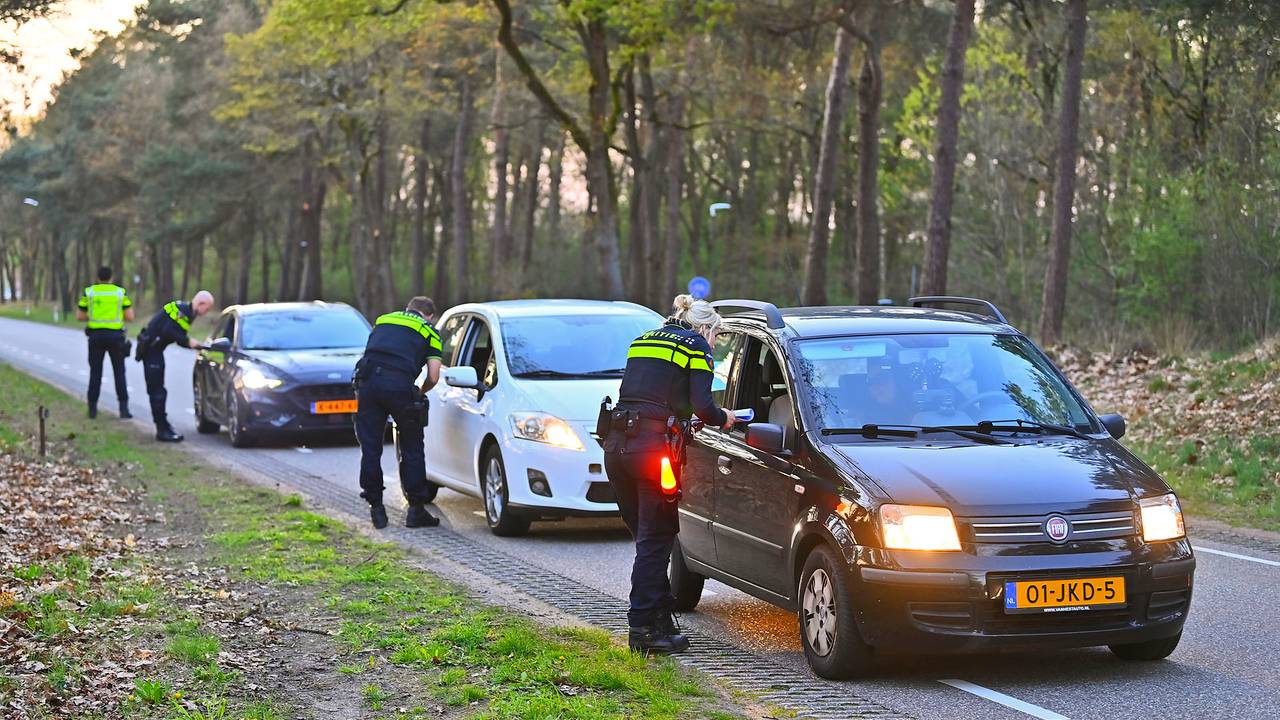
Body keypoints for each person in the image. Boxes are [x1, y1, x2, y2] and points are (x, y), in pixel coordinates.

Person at [603, 294, 735, 654]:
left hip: (617, 447)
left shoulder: (644, 339)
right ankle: (644, 630)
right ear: (706, 327)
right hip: (654, 453)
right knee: (656, 538)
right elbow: (705, 407)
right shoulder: (696, 346)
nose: (715, 343)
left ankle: (659, 618)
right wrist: (727, 418)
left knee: (647, 540)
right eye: (717, 336)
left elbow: (645, 394)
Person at [353, 296, 444, 530]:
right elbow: (433, 376)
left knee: (371, 448)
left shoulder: (383, 320)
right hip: (400, 387)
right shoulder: (430, 332)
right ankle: (415, 511)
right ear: (430, 316)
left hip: (368, 385)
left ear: (407, 309)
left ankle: (376, 507)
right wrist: (420, 392)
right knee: (412, 447)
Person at [137, 291, 215, 442]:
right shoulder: (181, 311)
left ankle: (164, 425)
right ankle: (162, 430)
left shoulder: (188, 313)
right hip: (151, 351)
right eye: (208, 308)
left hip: (156, 351)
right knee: (157, 392)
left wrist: (194, 345)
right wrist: (188, 341)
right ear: (201, 303)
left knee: (160, 391)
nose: (207, 312)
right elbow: (170, 331)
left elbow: (178, 337)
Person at [77, 266, 134, 419]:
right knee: (119, 372)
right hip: (116, 337)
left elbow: (80, 316)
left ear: (97, 278)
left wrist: (95, 316)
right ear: (111, 277)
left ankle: (92, 410)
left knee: (95, 373)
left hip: (95, 337)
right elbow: (130, 316)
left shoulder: (89, 292)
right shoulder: (120, 293)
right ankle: (123, 409)